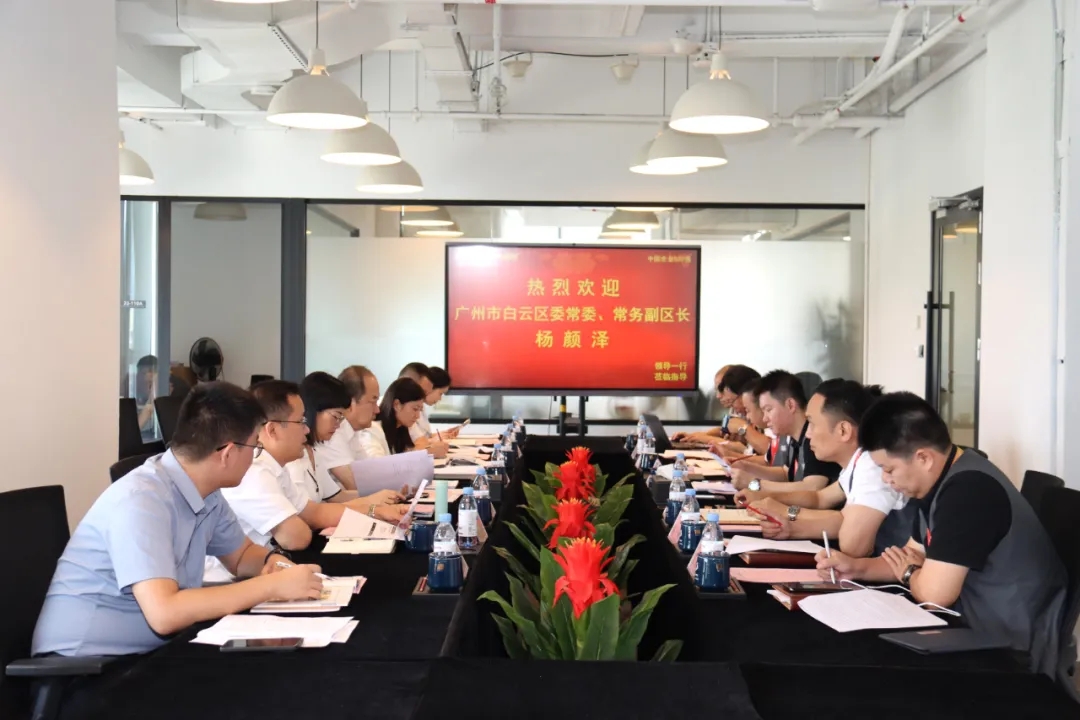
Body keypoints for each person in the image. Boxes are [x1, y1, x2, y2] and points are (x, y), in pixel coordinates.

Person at [32, 382, 324, 658]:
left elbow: (242, 556)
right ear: (227, 453)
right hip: (86, 666)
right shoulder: (141, 500)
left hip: (153, 652)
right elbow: (165, 613)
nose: (255, 458)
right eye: (254, 448)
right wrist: (271, 586)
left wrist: (273, 564)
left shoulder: (207, 493)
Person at [816, 392, 1072, 683]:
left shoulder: (968, 491)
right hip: (973, 624)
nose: (886, 479)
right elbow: (911, 555)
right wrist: (854, 567)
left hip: (1005, 647)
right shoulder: (942, 479)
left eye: (889, 469)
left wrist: (910, 572)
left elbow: (934, 594)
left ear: (923, 458)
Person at [222, 380, 404, 561]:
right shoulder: (255, 471)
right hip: (249, 572)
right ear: (273, 430)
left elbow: (315, 513)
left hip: (275, 561)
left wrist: (375, 511)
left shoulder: (275, 466)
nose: (307, 429)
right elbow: (295, 538)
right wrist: (304, 521)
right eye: (300, 421)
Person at [738, 380, 913, 557]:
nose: (808, 434)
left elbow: (852, 545)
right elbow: (820, 499)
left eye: (812, 423)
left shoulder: (872, 466)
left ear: (843, 431)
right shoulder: (857, 462)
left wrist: (787, 512)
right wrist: (773, 504)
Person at [286, 372, 408, 522]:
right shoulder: (293, 456)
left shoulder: (313, 452)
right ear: (313, 411)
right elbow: (313, 513)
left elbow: (337, 496)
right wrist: (373, 507)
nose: (338, 425)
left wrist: (379, 496)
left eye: (341, 418)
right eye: (336, 417)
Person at [727, 370, 841, 495]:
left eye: (768, 410)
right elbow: (786, 474)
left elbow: (812, 488)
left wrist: (754, 484)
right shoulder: (793, 437)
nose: (765, 418)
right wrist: (746, 467)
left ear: (790, 405)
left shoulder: (813, 437)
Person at [319, 365, 381, 491]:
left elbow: (370, 475)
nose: (377, 410)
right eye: (373, 402)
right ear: (351, 402)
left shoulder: (351, 431)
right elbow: (356, 486)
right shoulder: (333, 432)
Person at [671, 365, 756, 445]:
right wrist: (693, 436)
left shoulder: (755, 412)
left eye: (722, 389)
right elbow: (724, 430)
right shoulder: (735, 409)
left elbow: (745, 447)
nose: (718, 396)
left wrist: (705, 438)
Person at [360, 377, 429, 458]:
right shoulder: (372, 430)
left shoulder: (401, 429)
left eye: (420, 410)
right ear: (397, 405)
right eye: (415, 409)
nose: (417, 416)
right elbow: (377, 462)